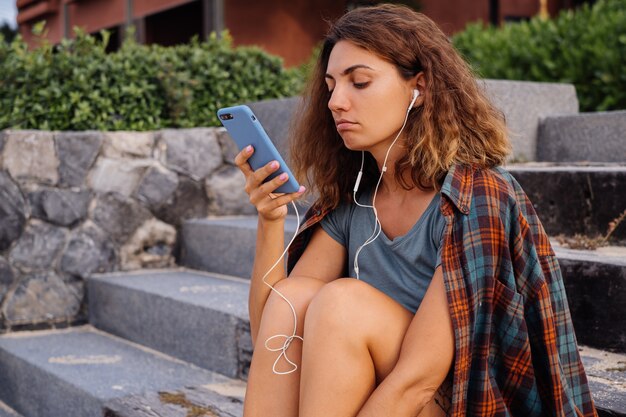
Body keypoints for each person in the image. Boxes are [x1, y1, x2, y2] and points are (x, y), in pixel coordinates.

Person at [234, 4, 597, 417]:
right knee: (297, 294)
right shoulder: (353, 199)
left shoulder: (475, 196)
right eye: (332, 85)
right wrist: (270, 220)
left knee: (341, 305)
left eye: (360, 82)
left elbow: (417, 380)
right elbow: (275, 333)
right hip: (377, 391)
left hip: (451, 399)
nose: (336, 101)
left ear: (419, 87)